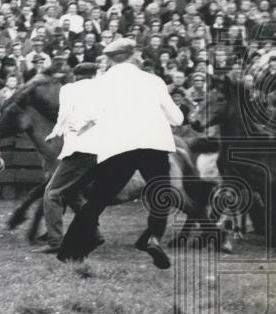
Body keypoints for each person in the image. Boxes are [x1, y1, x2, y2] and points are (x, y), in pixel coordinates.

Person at [58, 38, 183, 269]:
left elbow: (89, 116)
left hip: (120, 145)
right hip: (154, 142)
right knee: (160, 193)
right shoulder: (153, 80)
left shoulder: (102, 83)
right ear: (133, 55)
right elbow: (177, 118)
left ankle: (69, 253)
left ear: (110, 59)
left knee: (97, 201)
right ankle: (153, 237)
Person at [35, 62, 102, 254]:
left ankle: (55, 242)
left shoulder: (69, 89)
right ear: (94, 74)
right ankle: (95, 235)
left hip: (80, 149)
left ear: (75, 75)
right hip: (100, 149)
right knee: (72, 193)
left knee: (52, 193)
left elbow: (64, 115)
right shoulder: (103, 89)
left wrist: (55, 132)